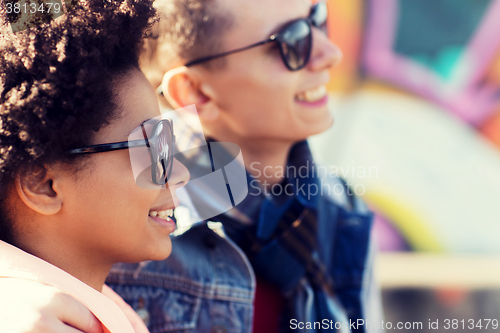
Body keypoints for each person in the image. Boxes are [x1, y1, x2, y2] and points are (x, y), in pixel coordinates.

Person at [105, 0, 383, 332]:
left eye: (316, 19)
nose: (330, 53)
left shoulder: (339, 205)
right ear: (195, 91)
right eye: (290, 41)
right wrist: (25, 286)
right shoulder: (121, 209)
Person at [0, 1, 189, 332]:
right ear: (43, 184)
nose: (180, 172)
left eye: (169, 144)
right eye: (152, 147)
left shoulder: (101, 307)